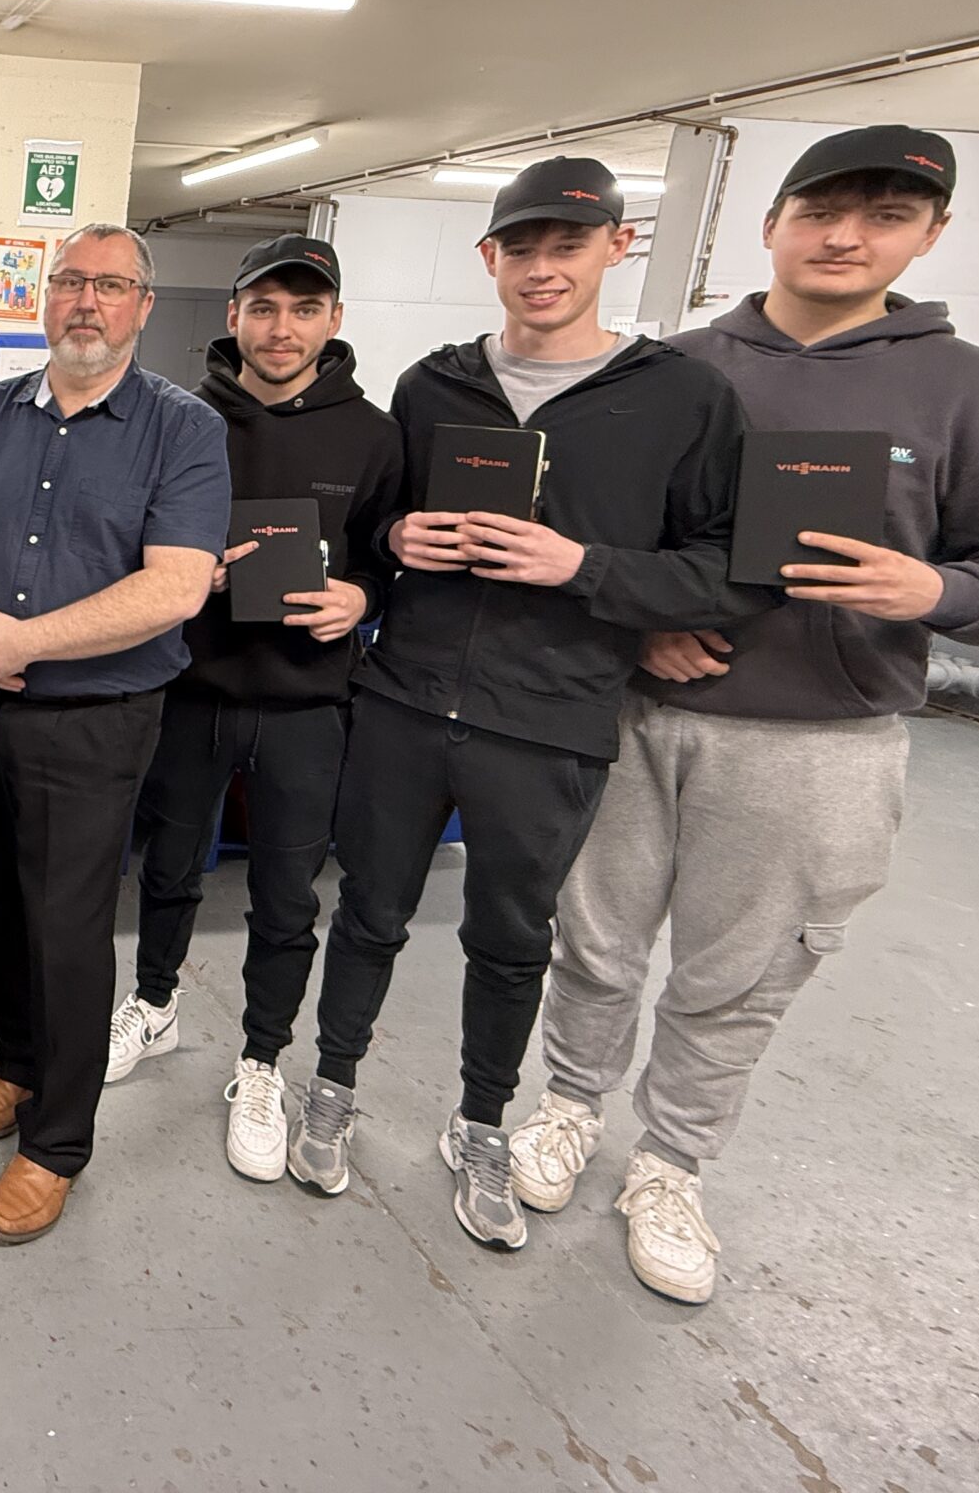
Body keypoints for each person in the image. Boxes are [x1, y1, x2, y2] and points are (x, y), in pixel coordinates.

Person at [510, 126, 979, 1302]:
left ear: (930, 236)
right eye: (819, 210)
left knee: (738, 975)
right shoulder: (665, 370)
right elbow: (610, 539)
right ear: (769, 222)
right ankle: (564, 1109)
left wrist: (939, 591)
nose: (845, 236)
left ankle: (668, 1165)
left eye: (884, 216)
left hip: (819, 740)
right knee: (592, 941)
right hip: (635, 712)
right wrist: (638, 617)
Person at [295, 157, 754, 1252]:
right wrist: (397, 543)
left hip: (547, 719)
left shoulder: (682, 397)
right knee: (366, 912)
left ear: (616, 248)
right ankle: (333, 1085)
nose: (543, 269)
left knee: (510, 940)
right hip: (404, 700)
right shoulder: (433, 384)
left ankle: (482, 1122)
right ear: (490, 257)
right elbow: (376, 528)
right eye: (523, 247)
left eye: (569, 245)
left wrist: (580, 567)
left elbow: (732, 568)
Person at [0, 222, 229, 1246]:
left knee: (65, 923)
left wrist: (27, 644)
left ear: (143, 306)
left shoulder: (181, 428)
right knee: (1, 906)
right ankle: (18, 1066)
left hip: (96, 718)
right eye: (68, 282)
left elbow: (175, 585)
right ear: (42, 299)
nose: (84, 301)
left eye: (110, 285)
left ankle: (57, 1143)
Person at [111, 234, 403, 1187]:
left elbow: (388, 557)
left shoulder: (374, 433)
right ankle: (152, 1005)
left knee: (286, 900)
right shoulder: (176, 420)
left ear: (334, 322)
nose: (283, 329)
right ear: (232, 317)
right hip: (190, 691)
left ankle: (261, 1063)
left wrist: (364, 598)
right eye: (264, 309)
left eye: (305, 309)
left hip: (308, 705)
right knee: (167, 868)